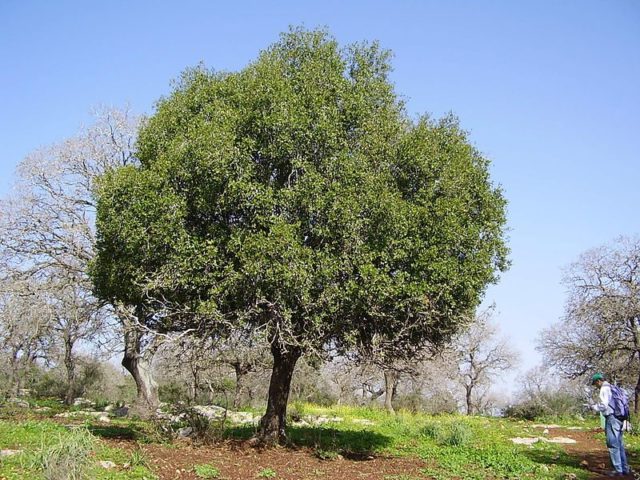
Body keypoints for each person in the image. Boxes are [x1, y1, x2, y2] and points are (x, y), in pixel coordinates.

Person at [591, 373, 630, 477]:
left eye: (595, 384)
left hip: (612, 417)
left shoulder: (604, 389)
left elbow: (604, 405)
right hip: (620, 418)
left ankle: (617, 470)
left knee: (612, 443)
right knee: (619, 444)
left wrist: (594, 407)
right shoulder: (614, 387)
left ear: (598, 381)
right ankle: (624, 468)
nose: (596, 386)